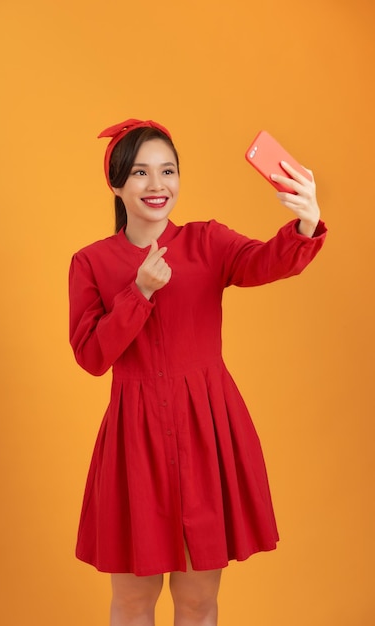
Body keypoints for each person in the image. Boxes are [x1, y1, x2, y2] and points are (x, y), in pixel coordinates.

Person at [68, 119, 327, 626]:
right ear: (117, 184)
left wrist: (304, 224)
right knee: (133, 602)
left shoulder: (209, 242)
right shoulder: (90, 263)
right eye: (140, 173)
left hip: (207, 435)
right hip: (134, 444)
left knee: (198, 603)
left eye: (168, 171)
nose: (156, 184)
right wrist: (137, 293)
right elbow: (92, 357)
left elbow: (265, 262)